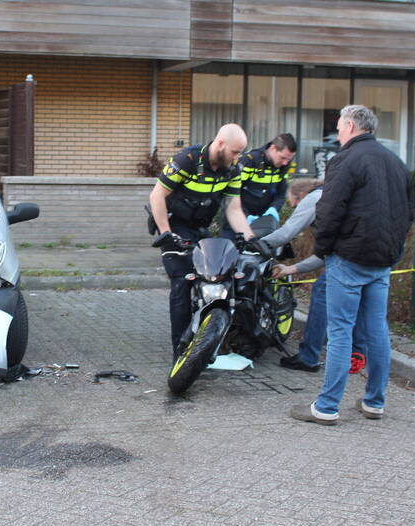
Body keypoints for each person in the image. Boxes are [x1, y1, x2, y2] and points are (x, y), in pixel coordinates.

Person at [290, 105, 413, 426]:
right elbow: (407, 213)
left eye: (340, 127)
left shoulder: (345, 160)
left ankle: (327, 407)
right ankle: (375, 402)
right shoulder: (396, 162)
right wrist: (394, 249)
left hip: (349, 256)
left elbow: (330, 210)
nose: (338, 133)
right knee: (377, 328)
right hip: (383, 258)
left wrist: (325, 250)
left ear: (349, 125)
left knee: (341, 331)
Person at [148, 124, 256, 358]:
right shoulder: (186, 160)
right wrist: (166, 233)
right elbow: (157, 195)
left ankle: (214, 338)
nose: (238, 158)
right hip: (174, 226)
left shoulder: (233, 169)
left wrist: (251, 238)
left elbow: (234, 207)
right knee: (182, 281)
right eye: (235, 152)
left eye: (240, 153)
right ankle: (181, 350)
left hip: (200, 228)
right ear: (220, 144)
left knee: (218, 275)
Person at [260, 179, 367, 374]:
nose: (293, 208)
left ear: (300, 196)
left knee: (322, 291)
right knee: (360, 299)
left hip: (350, 254)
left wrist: (254, 243)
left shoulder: (315, 198)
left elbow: (286, 233)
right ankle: (358, 352)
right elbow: (327, 255)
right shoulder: (338, 196)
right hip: (370, 253)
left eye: (294, 204)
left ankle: (308, 357)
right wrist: (292, 269)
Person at [223, 133, 297, 240]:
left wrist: (274, 209)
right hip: (236, 221)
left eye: (289, 160)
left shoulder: (283, 166)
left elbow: (281, 193)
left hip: (264, 224)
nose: (285, 163)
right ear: (273, 148)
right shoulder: (250, 161)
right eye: (283, 158)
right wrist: (245, 215)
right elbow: (232, 193)